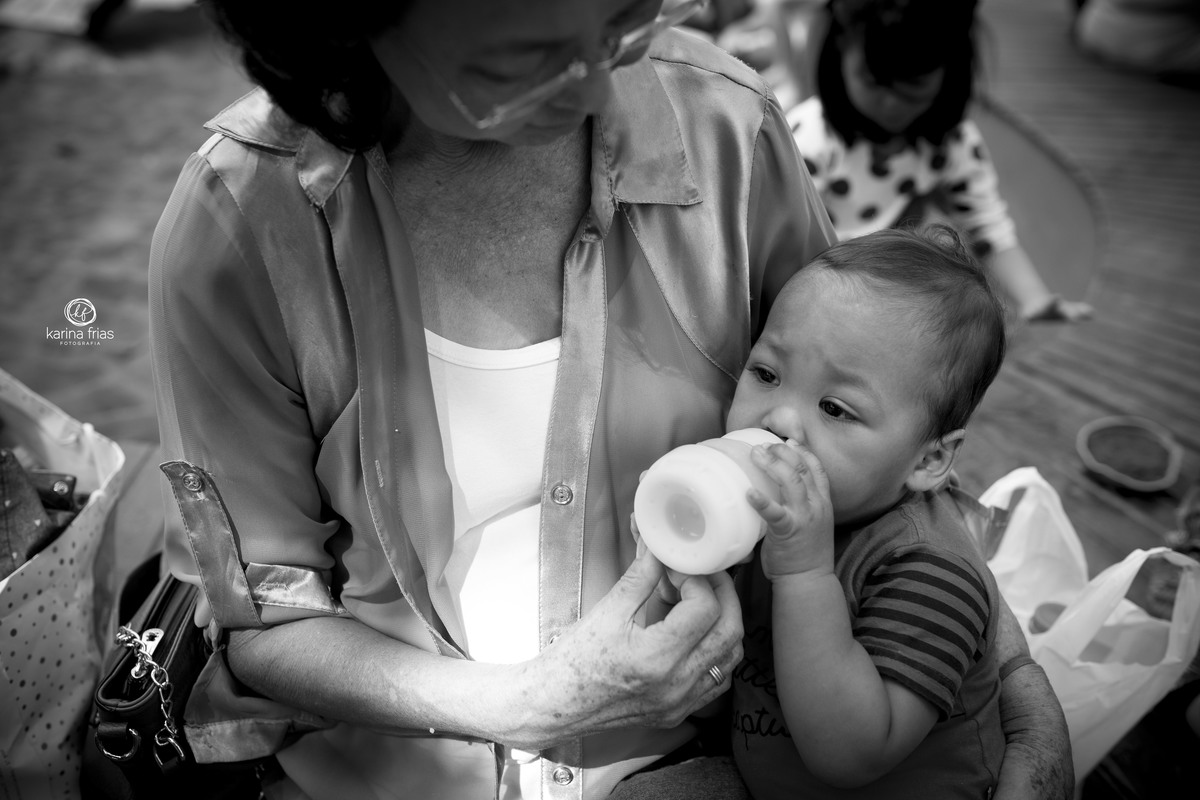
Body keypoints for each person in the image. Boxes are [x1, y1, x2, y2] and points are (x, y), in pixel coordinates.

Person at [147, 0, 1070, 797]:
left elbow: (896, 423)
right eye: (518, 63)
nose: (601, 96)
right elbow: (264, 625)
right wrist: (527, 703)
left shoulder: (725, 134)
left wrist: (1017, 691)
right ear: (344, 32)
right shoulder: (244, 232)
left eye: (626, 23)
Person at [728, 226, 1008, 798]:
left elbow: (853, 753)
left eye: (834, 408)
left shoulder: (931, 571)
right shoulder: (771, 512)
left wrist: (806, 572)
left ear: (929, 459)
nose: (778, 420)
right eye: (766, 373)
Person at [786, 0, 1094, 323]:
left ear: (951, 69)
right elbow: (782, 241)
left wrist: (1034, 298)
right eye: (873, 82)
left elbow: (987, 225)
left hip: (883, 298)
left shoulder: (951, 143)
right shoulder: (811, 138)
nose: (890, 104)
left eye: (913, 88)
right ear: (839, 51)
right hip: (817, 295)